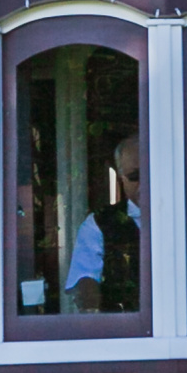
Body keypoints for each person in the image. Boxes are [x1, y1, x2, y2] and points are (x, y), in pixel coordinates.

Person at [69, 133, 143, 312]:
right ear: (121, 178)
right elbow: (85, 285)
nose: (145, 182)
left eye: (153, 172)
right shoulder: (98, 224)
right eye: (135, 176)